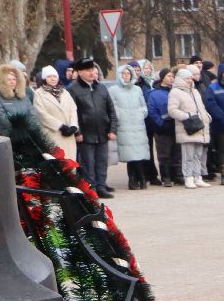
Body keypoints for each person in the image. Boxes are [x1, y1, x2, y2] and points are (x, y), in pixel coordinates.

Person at [67, 58, 117, 198]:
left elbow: (111, 110)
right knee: (88, 162)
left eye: (93, 70)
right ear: (80, 72)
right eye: (88, 70)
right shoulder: (73, 90)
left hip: (102, 131)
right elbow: (72, 113)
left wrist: (113, 129)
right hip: (85, 133)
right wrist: (77, 132)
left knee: (102, 161)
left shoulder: (101, 88)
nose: (91, 73)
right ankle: (91, 188)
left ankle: (101, 186)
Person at [167, 65, 212, 189]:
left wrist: (206, 116)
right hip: (187, 128)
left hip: (199, 126)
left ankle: (198, 177)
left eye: (191, 78)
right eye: (187, 78)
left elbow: (201, 107)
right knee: (188, 155)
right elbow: (172, 110)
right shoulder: (175, 92)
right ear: (181, 79)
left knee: (198, 155)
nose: (190, 80)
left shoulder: (195, 91)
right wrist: (187, 116)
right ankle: (188, 177)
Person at [109, 64, 154, 190]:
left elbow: (143, 104)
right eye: (124, 74)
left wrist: (142, 113)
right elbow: (113, 106)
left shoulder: (137, 89)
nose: (126, 76)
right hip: (124, 125)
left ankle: (141, 178)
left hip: (138, 124)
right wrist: (119, 116)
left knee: (139, 153)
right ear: (119, 75)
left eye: (128, 74)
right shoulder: (114, 90)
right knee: (130, 155)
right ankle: (133, 179)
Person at [32, 65, 79, 160]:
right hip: (53, 134)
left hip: (68, 135)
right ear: (45, 78)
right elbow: (41, 113)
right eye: (49, 76)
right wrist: (60, 126)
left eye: (54, 76)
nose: (53, 79)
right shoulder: (39, 93)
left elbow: (73, 109)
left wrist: (73, 126)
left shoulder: (64, 92)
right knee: (58, 164)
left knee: (71, 164)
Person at [147, 67, 182, 185]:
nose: (171, 78)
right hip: (162, 129)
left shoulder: (176, 91)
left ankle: (177, 176)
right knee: (164, 154)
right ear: (162, 78)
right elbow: (152, 111)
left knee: (177, 153)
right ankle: (166, 177)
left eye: (173, 76)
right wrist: (161, 124)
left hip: (176, 127)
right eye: (169, 76)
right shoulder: (154, 93)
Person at [0, 63, 34, 139]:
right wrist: (18, 130)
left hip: (28, 135)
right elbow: (2, 119)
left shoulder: (24, 97)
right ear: (3, 81)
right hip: (9, 136)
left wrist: (30, 128)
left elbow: (32, 115)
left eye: (14, 79)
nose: (12, 82)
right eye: (9, 79)